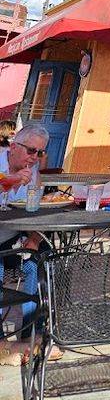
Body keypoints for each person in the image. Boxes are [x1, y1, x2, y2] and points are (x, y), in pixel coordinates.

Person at [0, 123, 54, 364]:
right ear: (13, 146)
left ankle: (32, 333)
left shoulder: (33, 175)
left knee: (37, 264)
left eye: (40, 153)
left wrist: (33, 239)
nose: (35, 158)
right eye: (31, 151)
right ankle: (2, 343)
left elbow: (35, 213)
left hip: (11, 240)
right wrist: (9, 181)